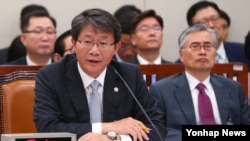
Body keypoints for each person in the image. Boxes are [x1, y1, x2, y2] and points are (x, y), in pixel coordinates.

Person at [33, 8, 167, 141]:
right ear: (74, 44)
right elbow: (48, 128)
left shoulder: (129, 75)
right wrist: (109, 127)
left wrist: (117, 139)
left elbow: (156, 128)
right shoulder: (51, 76)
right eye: (87, 42)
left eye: (103, 43)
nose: (94, 51)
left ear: (116, 47)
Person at [150, 24, 250, 141]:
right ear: (181, 55)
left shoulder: (233, 87)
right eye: (195, 46)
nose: (202, 52)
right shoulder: (162, 90)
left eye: (208, 46)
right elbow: (156, 130)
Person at [176, 1, 250, 68]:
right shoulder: (180, 64)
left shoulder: (244, 52)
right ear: (192, 28)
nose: (211, 25)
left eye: (215, 19)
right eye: (203, 21)